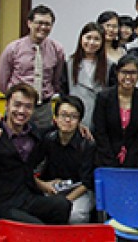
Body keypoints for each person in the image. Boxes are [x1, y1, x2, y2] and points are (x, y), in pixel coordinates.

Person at [0, 83, 71, 232]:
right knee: (38, 229)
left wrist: (77, 128)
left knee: (63, 205)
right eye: (17, 105)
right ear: (6, 105)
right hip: (2, 204)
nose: (21, 111)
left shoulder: (34, 134)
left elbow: (55, 132)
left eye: (28, 107)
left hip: (26, 197)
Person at [0, 4, 66, 129]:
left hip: (43, 110)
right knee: (13, 144)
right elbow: (2, 83)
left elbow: (56, 80)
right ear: (29, 23)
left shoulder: (57, 50)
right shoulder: (13, 49)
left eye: (47, 24)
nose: (43, 27)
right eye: (39, 23)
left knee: (44, 145)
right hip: (18, 108)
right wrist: (18, 101)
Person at [36, 95, 96, 224]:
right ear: (56, 118)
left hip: (78, 192)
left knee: (75, 215)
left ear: (79, 121)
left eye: (73, 117)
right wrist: (44, 186)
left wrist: (64, 202)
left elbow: (86, 182)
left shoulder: (87, 144)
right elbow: (32, 168)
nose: (68, 120)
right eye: (63, 115)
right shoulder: (47, 139)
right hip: (52, 189)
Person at [93, 54, 138, 167]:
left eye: (133, 73)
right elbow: (100, 131)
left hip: (135, 157)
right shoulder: (104, 97)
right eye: (124, 72)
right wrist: (110, 158)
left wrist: (130, 157)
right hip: (106, 156)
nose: (128, 77)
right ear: (117, 73)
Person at [61, 22, 111, 130]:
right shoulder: (69, 64)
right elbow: (63, 92)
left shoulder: (110, 66)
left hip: (100, 119)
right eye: (88, 38)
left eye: (97, 39)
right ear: (81, 39)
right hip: (74, 119)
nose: (91, 42)